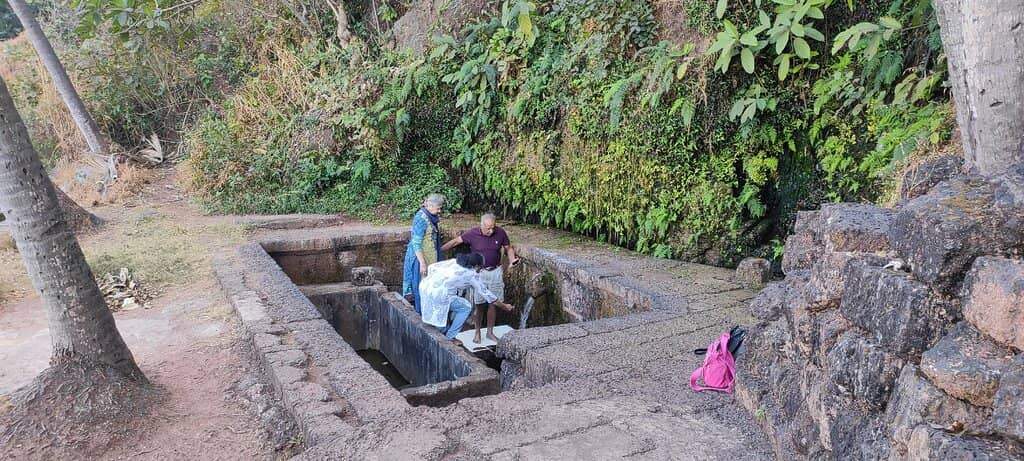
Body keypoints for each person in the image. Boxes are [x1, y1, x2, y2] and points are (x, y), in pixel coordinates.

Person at [440, 213, 520, 344]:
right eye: (488, 228)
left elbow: (508, 248)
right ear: (481, 225)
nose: (491, 230)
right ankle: (477, 332)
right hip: (479, 273)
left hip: (495, 271)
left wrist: (512, 260)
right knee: (479, 305)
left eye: (493, 227)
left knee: (493, 304)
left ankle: (490, 332)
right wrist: (439, 251)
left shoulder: (500, 232)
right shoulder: (472, 233)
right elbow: (455, 241)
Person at [420, 252, 515, 345]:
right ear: (477, 266)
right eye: (481, 268)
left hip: (425, 287)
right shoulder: (472, 274)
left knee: (447, 305)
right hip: (440, 294)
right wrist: (504, 306)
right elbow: (487, 295)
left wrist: (437, 282)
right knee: (466, 307)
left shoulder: (455, 261)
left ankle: (442, 329)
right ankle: (450, 337)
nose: (481, 270)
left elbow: (432, 267)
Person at [402, 193, 444, 313]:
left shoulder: (430, 217)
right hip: (421, 260)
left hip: (431, 258)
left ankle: (429, 314)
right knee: (421, 287)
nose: (439, 211)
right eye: (438, 208)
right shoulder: (421, 219)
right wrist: (422, 263)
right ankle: (421, 315)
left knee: (431, 287)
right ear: (430, 206)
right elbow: (416, 242)